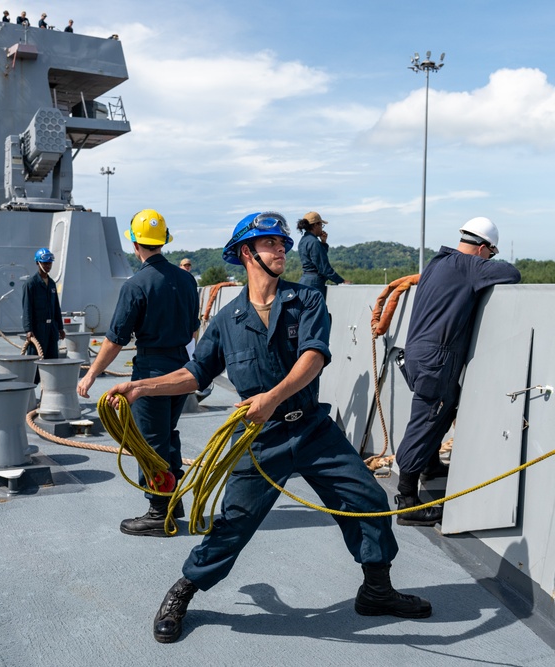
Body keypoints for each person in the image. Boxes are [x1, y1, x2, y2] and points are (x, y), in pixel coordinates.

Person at [102, 211, 431, 644]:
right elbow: (196, 374)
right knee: (234, 522)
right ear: (246, 253)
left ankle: (376, 590)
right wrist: (141, 387)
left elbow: (313, 357)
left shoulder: (307, 299)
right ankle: (184, 590)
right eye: (271, 243)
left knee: (367, 498)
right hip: (259, 440)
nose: (282, 249)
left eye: (282, 244)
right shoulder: (227, 320)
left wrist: (272, 397)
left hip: (313, 428)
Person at [77, 209, 199, 536]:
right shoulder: (187, 280)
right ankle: (173, 501)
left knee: (151, 443)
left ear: (135, 245)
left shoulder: (136, 285)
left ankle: (160, 512)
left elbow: (116, 340)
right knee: (168, 434)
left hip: (151, 370)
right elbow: (192, 327)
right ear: (163, 242)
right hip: (182, 370)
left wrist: (90, 375)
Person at [394, 217, 521, 526]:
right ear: (482, 249)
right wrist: (487, 266)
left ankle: (430, 465)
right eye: (491, 254)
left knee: (445, 405)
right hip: (437, 360)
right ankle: (407, 501)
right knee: (426, 420)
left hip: (420, 355)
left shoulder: (439, 263)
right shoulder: (468, 266)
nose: (491, 259)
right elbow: (511, 273)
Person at [22, 248, 66, 360]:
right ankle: (35, 379)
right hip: (37, 329)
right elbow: (27, 308)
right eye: (45, 263)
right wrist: (28, 330)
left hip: (51, 328)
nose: (48, 266)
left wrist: (60, 328)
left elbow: (56, 307)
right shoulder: (31, 284)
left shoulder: (51, 283)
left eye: (50, 263)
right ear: (38, 263)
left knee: (52, 360)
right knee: (36, 360)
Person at [297, 211, 348, 295]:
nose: (322, 228)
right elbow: (324, 268)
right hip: (315, 284)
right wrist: (341, 281)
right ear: (315, 225)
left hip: (305, 281)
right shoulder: (314, 242)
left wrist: (323, 243)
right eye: (321, 225)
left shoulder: (303, 240)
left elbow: (316, 258)